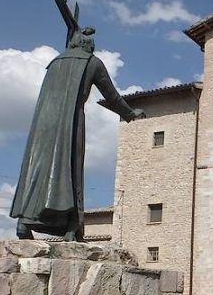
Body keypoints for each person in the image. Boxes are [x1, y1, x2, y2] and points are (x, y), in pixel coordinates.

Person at [10, 26, 142, 241]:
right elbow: (111, 95)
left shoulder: (55, 62)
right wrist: (130, 113)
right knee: (69, 168)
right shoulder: (92, 62)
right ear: (88, 45)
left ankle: (24, 221)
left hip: (43, 122)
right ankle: (71, 227)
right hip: (70, 119)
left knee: (38, 168)